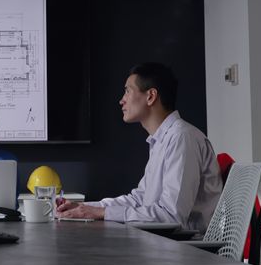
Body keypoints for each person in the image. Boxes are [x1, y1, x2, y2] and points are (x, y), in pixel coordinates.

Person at [57, 63, 223, 233]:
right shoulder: (162, 140)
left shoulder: (181, 138)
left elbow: (171, 216)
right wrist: (85, 207)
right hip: (163, 243)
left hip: (185, 249)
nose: (122, 100)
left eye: (128, 91)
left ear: (151, 96)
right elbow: (140, 199)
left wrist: (103, 212)